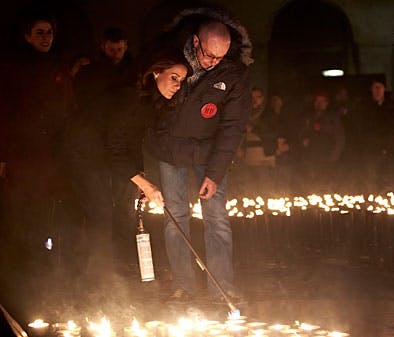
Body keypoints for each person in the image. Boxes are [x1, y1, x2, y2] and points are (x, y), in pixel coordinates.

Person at [63, 49, 190, 294]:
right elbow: (115, 148)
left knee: (122, 213)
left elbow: (132, 144)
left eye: (181, 81)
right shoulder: (129, 98)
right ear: (156, 73)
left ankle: (117, 280)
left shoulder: (150, 104)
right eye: (174, 77)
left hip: (103, 156)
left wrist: (139, 178)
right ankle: (95, 285)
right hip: (83, 153)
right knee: (100, 212)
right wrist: (145, 183)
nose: (177, 85)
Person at [148, 9, 252, 302]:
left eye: (220, 57)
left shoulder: (234, 74)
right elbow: (151, 106)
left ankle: (221, 285)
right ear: (195, 42)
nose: (212, 62)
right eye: (208, 55)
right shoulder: (170, 59)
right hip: (171, 151)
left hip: (209, 153)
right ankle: (183, 284)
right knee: (175, 217)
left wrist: (215, 173)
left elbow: (233, 127)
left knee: (216, 216)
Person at [0, 12, 74, 317]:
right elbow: (7, 112)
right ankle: (16, 286)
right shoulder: (13, 68)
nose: (46, 37)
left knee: (45, 219)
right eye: (40, 32)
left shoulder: (56, 67)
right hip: (20, 155)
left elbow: (67, 109)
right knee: (18, 219)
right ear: (28, 35)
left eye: (49, 33)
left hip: (49, 158)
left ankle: (43, 282)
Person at [356, 78, 394, 192]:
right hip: (369, 150)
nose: (377, 91)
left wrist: (386, 145)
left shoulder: (392, 107)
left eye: (379, 88)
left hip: (387, 149)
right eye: (374, 88)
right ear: (371, 90)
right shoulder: (364, 107)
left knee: (388, 179)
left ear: (384, 89)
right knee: (370, 180)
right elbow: (361, 128)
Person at [295, 90, 345, 193]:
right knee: (310, 182)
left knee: (325, 183)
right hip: (311, 156)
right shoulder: (308, 117)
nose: (319, 103)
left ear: (326, 103)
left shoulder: (332, 118)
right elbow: (301, 133)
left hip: (327, 155)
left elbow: (339, 138)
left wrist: (334, 155)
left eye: (322, 101)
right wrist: (303, 141)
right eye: (317, 100)